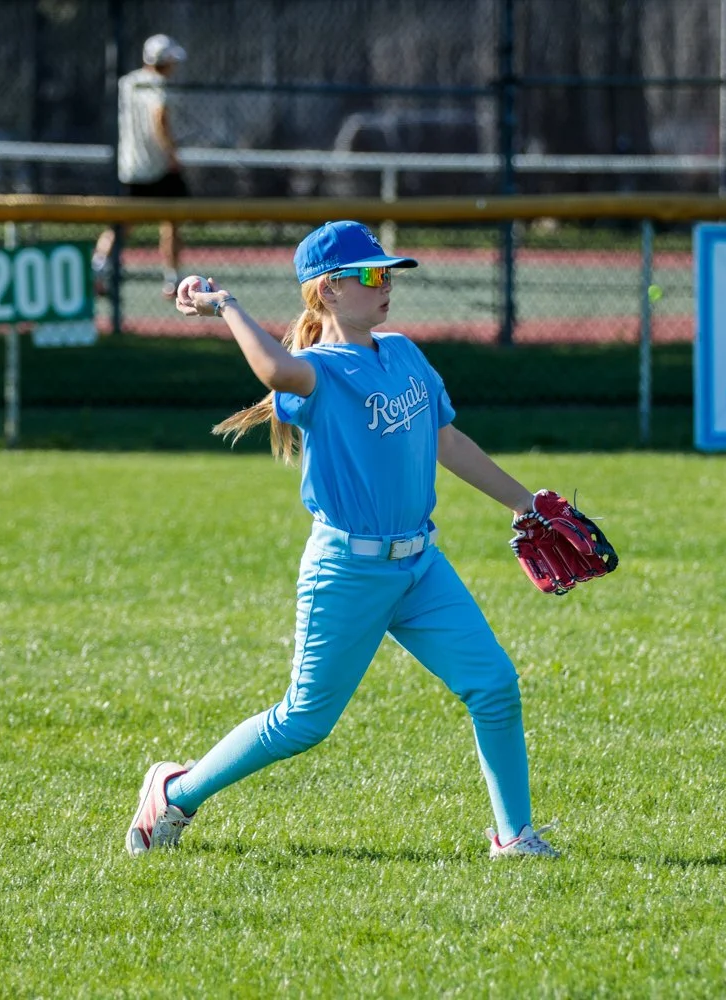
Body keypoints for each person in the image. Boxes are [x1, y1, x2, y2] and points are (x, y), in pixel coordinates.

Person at [124, 220, 562, 860]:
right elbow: (275, 370)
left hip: (419, 567)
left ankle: (515, 836)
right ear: (327, 291)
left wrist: (526, 503)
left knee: (493, 683)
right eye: (371, 274)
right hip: (347, 572)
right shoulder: (318, 374)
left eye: (389, 272)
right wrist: (226, 305)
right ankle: (176, 791)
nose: (386, 284)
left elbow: (447, 442)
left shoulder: (405, 353)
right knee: (304, 720)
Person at [93, 33, 189, 300]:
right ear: (165, 61)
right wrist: (171, 153)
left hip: (129, 167)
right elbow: (159, 119)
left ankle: (97, 269)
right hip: (156, 168)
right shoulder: (157, 85)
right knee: (171, 222)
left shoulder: (128, 82)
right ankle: (172, 280)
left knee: (121, 225)